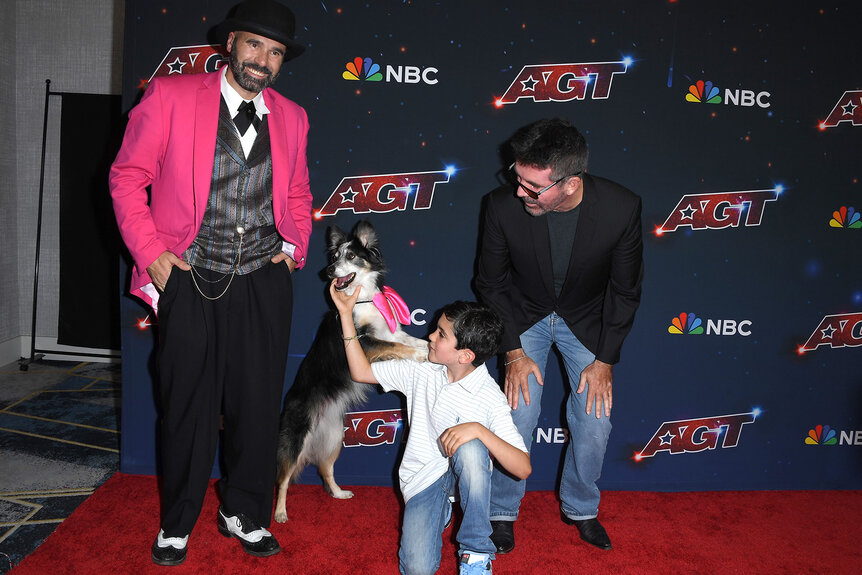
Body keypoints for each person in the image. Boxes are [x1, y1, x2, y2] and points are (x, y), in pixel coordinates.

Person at [109, 0, 312, 566]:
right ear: (230, 44)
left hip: (262, 282)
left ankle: (243, 513)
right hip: (190, 277)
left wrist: (294, 247)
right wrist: (152, 254)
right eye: (254, 45)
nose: (263, 61)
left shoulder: (292, 117)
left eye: (275, 53)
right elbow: (127, 178)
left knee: (255, 406)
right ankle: (176, 522)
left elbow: (297, 190)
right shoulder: (172, 97)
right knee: (188, 408)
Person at [475, 117, 643, 553]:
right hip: (523, 316)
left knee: (594, 420)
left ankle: (582, 508)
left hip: (585, 321)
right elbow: (490, 284)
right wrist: (512, 351)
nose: (519, 192)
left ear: (570, 183)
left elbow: (625, 292)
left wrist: (604, 361)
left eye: (533, 187)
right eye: (517, 178)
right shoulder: (500, 205)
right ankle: (501, 511)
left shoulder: (621, 208)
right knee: (518, 414)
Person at [331, 283, 531, 575]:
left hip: (465, 476)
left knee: (473, 447)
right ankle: (443, 511)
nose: (430, 337)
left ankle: (475, 553)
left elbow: (523, 468)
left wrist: (479, 430)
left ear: (465, 356)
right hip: (423, 478)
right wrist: (345, 313)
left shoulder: (490, 397)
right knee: (417, 569)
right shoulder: (422, 370)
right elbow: (361, 371)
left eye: (441, 334)